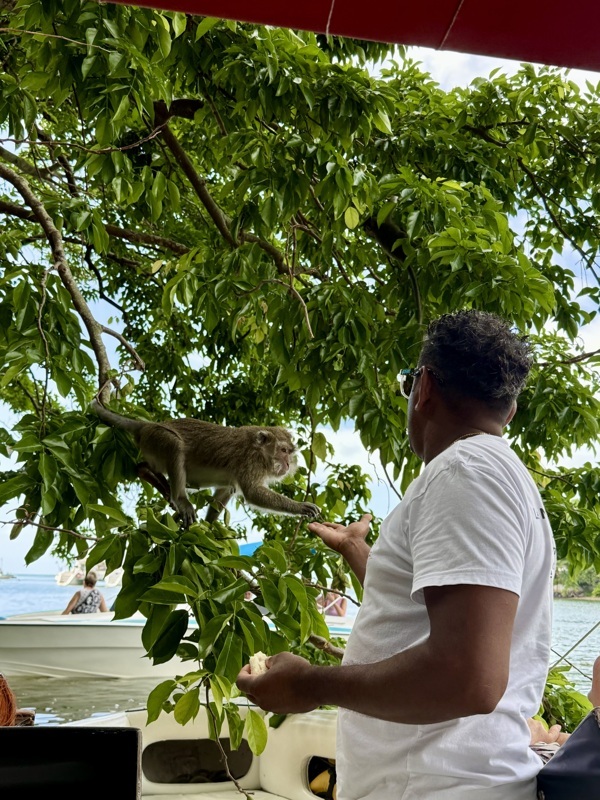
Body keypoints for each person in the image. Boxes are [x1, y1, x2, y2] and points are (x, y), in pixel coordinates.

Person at [237, 310, 556, 799]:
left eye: (409, 383)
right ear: (508, 411)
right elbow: (426, 620)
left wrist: (309, 686)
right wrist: (356, 551)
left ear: (423, 386)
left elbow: (468, 678)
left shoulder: (464, 472)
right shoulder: (501, 477)